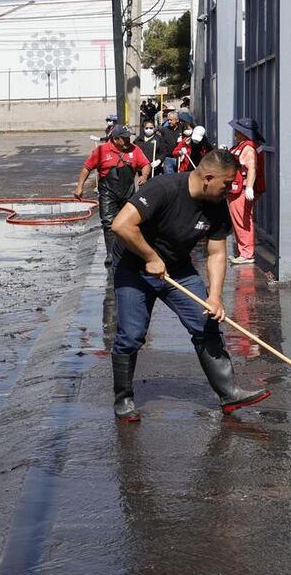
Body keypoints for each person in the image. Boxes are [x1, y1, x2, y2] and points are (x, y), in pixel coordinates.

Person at [109, 149, 271, 421]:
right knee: (132, 334)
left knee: (206, 321)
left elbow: (217, 253)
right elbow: (121, 225)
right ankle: (123, 399)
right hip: (134, 265)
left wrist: (216, 297)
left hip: (177, 268)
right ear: (208, 177)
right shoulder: (164, 188)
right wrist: (150, 256)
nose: (230, 188)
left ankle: (229, 393)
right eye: (227, 183)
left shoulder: (217, 205)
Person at [74, 125, 152, 267]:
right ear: (116, 139)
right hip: (108, 193)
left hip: (128, 192)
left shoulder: (135, 150)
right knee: (108, 222)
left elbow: (146, 164)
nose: (129, 140)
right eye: (125, 138)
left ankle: (130, 250)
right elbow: (87, 167)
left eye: (129, 137)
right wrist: (80, 186)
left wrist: (144, 175)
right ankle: (110, 253)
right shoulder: (102, 150)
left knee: (130, 222)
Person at [226, 117, 266, 265]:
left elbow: (252, 169)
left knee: (243, 221)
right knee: (240, 221)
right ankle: (244, 251)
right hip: (238, 189)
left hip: (241, 190)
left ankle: (247, 254)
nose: (235, 132)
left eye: (237, 130)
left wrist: (249, 187)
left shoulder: (247, 148)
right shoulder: (244, 145)